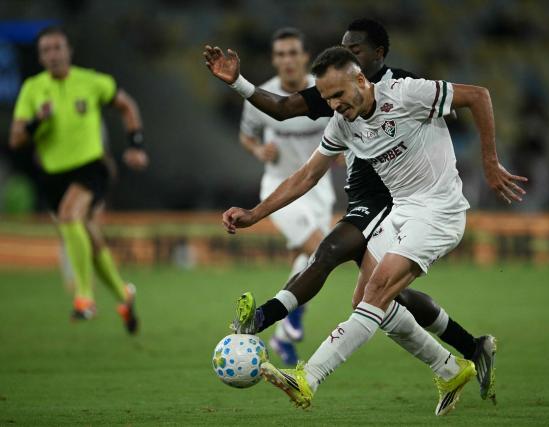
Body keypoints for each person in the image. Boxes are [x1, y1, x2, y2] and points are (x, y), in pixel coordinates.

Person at [220, 47, 527, 415]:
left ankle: (308, 378)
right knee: (367, 302)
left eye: (338, 94)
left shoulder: (407, 94)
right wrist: (255, 214)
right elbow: (306, 175)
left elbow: (479, 96)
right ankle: (449, 367)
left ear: (362, 80)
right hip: (400, 212)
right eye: (327, 97)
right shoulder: (343, 123)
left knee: (376, 291)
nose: (333, 104)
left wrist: (490, 163)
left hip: (440, 211)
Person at [9, 26, 149, 333]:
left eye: (58, 47)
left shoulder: (92, 81)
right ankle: (123, 294)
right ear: (40, 56)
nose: (53, 54)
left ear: (69, 50)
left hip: (91, 167)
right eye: (46, 50)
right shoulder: (33, 89)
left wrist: (135, 145)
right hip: (52, 176)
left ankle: (84, 298)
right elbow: (16, 139)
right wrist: (36, 122)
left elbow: (127, 106)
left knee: (70, 215)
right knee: (85, 230)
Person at [239, 28, 335, 364]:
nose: (287, 60)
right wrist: (258, 151)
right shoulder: (261, 96)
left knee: (306, 258)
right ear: (273, 59)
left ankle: (282, 336)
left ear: (305, 56)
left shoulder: (323, 90)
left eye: (293, 53)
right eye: (280, 54)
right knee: (320, 249)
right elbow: (246, 136)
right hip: (280, 187)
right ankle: (291, 320)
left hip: (319, 187)